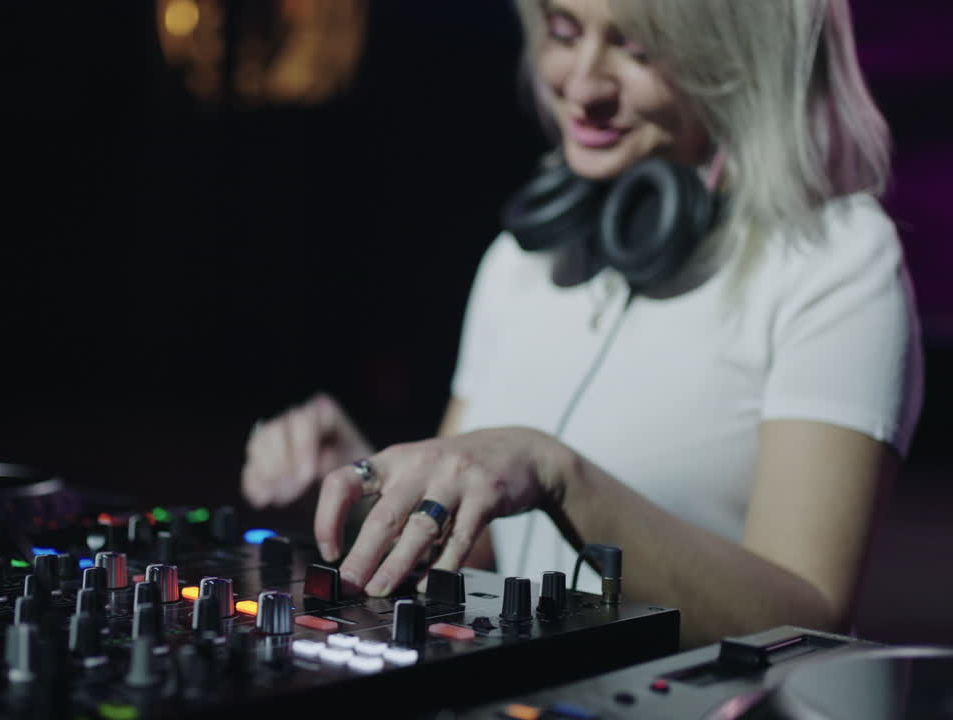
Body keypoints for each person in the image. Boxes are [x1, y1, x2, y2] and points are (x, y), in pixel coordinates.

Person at [241, 0, 922, 649]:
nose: (583, 83)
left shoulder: (836, 261)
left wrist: (556, 472)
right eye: (565, 33)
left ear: (742, 57)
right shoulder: (524, 260)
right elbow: (470, 550)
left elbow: (807, 619)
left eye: (638, 48)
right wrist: (365, 484)